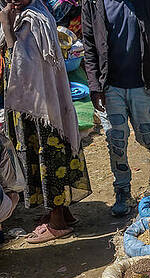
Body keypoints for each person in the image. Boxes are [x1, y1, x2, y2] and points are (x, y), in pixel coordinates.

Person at [0, 0, 91, 243]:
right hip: (37, 104)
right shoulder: (35, 12)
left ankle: (57, 222)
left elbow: (20, 66)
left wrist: (7, 29)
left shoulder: (32, 20)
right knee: (51, 153)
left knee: (47, 154)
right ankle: (61, 213)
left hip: (38, 107)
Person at [82, 0, 150, 216]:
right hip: (110, 86)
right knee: (116, 139)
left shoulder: (148, 4)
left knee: (146, 136)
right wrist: (95, 86)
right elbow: (89, 46)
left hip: (142, 84)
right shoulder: (93, 4)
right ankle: (122, 191)